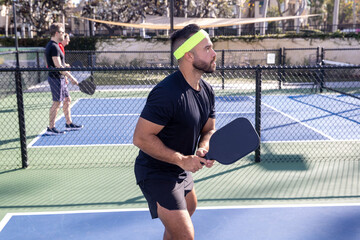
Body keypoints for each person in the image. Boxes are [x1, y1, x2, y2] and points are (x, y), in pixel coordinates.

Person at [133, 24, 217, 240]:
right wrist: (181, 159)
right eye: (207, 49)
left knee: (189, 209)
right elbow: (141, 138)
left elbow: (209, 129)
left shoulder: (207, 91)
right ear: (189, 55)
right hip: (156, 173)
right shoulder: (166, 93)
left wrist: (203, 147)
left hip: (181, 169)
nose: (214, 53)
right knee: (185, 235)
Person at [45, 23, 83, 135]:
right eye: (62, 32)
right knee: (57, 103)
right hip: (56, 79)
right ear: (57, 33)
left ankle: (68, 123)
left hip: (60, 78)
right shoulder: (53, 47)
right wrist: (71, 77)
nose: (63, 34)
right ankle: (51, 128)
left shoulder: (55, 46)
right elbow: (59, 67)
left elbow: (60, 65)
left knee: (67, 99)